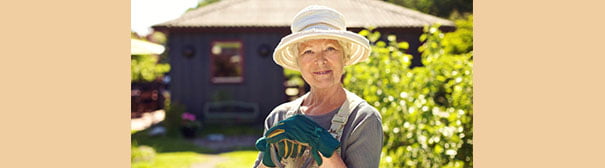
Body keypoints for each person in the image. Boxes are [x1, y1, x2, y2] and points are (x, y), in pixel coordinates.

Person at [254, 5, 383, 168]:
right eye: (308, 51)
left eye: (330, 49)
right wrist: (268, 162)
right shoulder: (279, 117)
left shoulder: (362, 118)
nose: (320, 60)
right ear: (298, 62)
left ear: (345, 57)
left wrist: (320, 143)